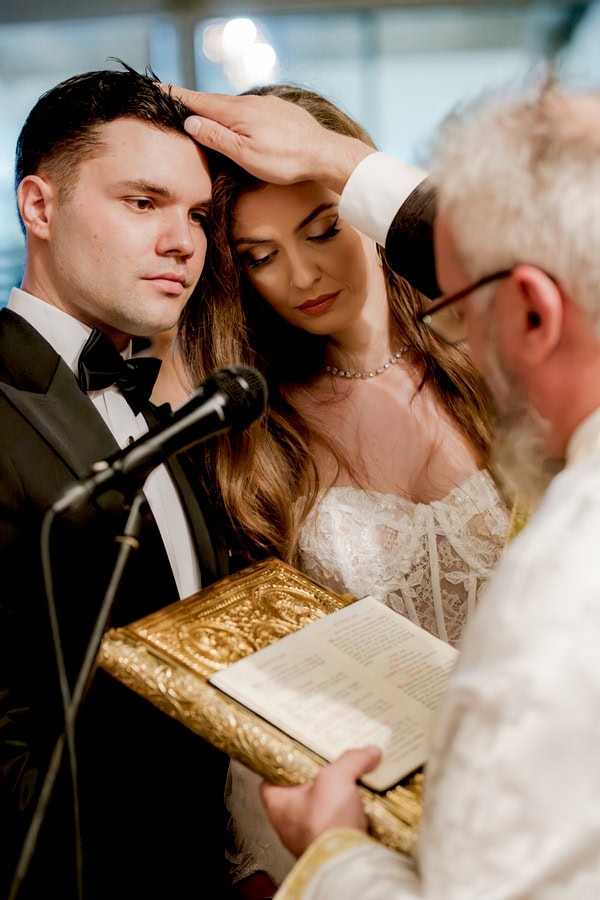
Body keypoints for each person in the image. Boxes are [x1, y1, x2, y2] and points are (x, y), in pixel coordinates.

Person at [177, 78, 600, 895]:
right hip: (355, 809)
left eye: (323, 228)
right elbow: (270, 687)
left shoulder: (505, 370)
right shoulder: (253, 436)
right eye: (259, 258)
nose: (299, 275)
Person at [0, 65, 235, 900]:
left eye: (197, 215)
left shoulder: (171, 403)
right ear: (40, 206)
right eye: (143, 203)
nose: (184, 241)